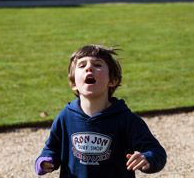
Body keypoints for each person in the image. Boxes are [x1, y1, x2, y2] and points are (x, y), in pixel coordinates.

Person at [35, 44, 166, 178]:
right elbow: (52, 148)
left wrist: (147, 158)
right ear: (73, 83)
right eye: (81, 66)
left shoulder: (125, 119)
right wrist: (44, 161)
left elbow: (157, 152)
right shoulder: (65, 117)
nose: (89, 68)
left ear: (113, 80)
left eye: (97, 65)